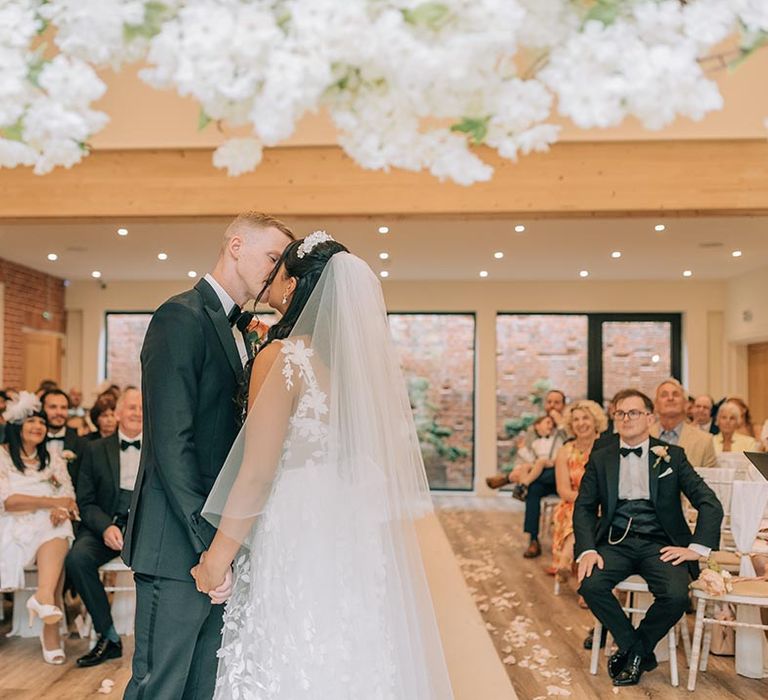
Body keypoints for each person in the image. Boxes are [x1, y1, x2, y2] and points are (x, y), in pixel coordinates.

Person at [191, 234, 453, 699]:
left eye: (278, 269)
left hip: (297, 526)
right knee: (347, 643)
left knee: (290, 641)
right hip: (349, 526)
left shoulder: (285, 358)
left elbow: (255, 474)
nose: (270, 278)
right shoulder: (354, 372)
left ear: (292, 285)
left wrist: (216, 559)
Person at [122, 212, 294, 700]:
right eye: (271, 256)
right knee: (158, 686)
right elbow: (172, 444)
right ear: (236, 246)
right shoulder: (179, 316)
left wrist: (228, 547)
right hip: (177, 543)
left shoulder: (245, 331)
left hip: (218, 543)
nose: (276, 270)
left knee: (205, 686)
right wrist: (210, 545)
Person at [575, 389, 723, 687]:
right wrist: (588, 549)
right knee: (591, 585)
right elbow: (584, 507)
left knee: (677, 595)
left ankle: (634, 649)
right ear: (614, 418)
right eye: (620, 413)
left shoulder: (673, 456)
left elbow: (709, 502)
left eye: (634, 412)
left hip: (661, 543)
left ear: (649, 418)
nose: (626, 418)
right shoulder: (601, 456)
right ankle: (640, 650)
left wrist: (696, 548)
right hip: (615, 541)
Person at [66, 388, 143, 667]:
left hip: (145, 526)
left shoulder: (159, 448)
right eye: (131, 407)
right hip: (105, 522)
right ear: (118, 413)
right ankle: (108, 636)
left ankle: (154, 644)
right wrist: (106, 527)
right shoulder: (95, 450)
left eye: (142, 407)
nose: (137, 412)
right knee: (77, 558)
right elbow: (84, 501)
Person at [0, 391, 78, 664]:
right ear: (16, 426)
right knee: (54, 532)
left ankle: (45, 602)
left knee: (59, 527)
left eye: (42, 423)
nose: (38, 427)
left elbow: (69, 496)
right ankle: (46, 606)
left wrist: (60, 508)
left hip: (47, 525)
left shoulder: (54, 457)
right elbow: (8, 501)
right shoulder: (2, 456)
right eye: (32, 422)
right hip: (10, 525)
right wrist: (50, 501)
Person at [552, 400, 607, 581]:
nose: (581, 423)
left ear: (595, 421)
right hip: (573, 503)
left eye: (585, 418)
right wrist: (587, 501)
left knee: (587, 514)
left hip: (604, 504)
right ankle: (586, 583)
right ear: (570, 424)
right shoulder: (565, 451)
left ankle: (566, 560)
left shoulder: (609, 447)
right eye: (575, 420)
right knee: (579, 512)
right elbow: (563, 490)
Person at [650, 379, 717, 468]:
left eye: (675, 394)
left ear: (685, 404)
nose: (670, 398)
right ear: (656, 405)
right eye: (664, 395)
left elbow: (710, 480)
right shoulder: (643, 437)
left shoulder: (704, 441)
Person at [41, 389, 86, 487]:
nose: (59, 412)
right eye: (53, 407)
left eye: (63, 408)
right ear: (42, 409)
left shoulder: (82, 444)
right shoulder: (33, 442)